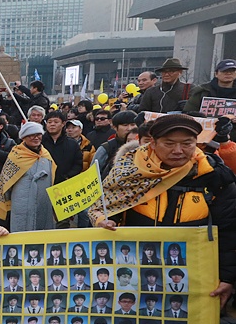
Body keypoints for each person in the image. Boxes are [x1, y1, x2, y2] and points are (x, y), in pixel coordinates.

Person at [91, 114, 236, 307]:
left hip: (194, 274)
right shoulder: (129, 171)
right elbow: (108, 206)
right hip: (136, 271)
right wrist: (102, 220)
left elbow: (229, 231)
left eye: (187, 143)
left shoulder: (215, 178)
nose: (178, 151)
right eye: (169, 143)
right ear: (153, 143)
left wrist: (227, 278)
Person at [0, 122, 56, 232]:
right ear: (24, 137)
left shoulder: (45, 154)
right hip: (21, 202)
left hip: (43, 201)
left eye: (38, 134)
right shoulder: (16, 155)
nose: (35, 138)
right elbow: (6, 181)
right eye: (31, 135)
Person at [92, 110, 138, 179]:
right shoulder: (106, 148)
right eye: (125, 125)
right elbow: (93, 173)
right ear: (115, 127)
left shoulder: (145, 145)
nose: (129, 128)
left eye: (133, 124)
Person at [41, 111, 82, 184]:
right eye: (49, 122)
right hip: (42, 183)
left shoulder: (72, 144)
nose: (52, 124)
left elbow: (78, 164)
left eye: (56, 122)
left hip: (64, 185)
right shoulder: (39, 143)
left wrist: (67, 176)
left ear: (63, 124)